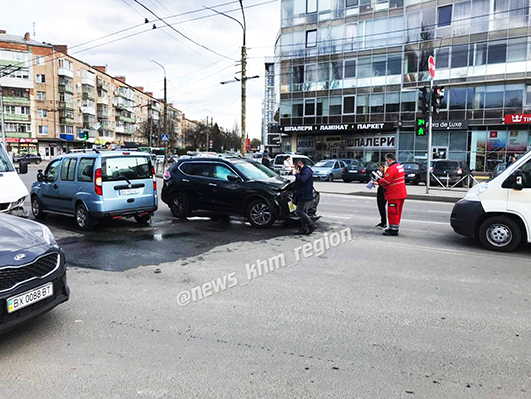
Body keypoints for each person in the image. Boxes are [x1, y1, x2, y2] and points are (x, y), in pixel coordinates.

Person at [375, 153, 407, 236]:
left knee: (393, 212)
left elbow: (387, 181)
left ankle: (393, 230)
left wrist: (379, 180)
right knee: (397, 212)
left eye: (386, 161)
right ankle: (395, 228)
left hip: (394, 194)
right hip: (401, 193)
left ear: (389, 160)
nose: (386, 163)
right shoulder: (400, 167)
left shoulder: (392, 169)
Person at [294, 159, 316, 235]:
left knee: (299, 211)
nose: (295, 168)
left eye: (296, 166)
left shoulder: (306, 171)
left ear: (300, 164)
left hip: (305, 195)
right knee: (304, 211)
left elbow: (303, 180)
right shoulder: (304, 171)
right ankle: (304, 228)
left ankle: (311, 224)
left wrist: (297, 174)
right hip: (303, 194)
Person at [375, 162, 387, 229]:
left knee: (382, 206)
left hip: (383, 191)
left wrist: (379, 179)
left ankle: (384, 222)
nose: (379, 168)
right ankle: (382, 221)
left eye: (381, 167)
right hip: (380, 189)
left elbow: (384, 182)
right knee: (380, 206)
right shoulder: (380, 174)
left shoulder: (386, 174)